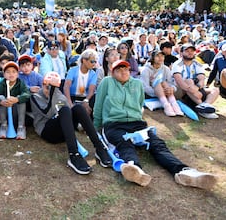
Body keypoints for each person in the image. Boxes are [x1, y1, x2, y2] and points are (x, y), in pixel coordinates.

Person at [93, 60, 218, 189]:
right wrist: (96, 126)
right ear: (112, 73)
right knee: (124, 144)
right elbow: (99, 105)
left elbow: (140, 104)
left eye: (125, 69)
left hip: (137, 123)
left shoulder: (137, 84)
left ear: (130, 70)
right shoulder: (107, 82)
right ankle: (134, 169)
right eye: (118, 70)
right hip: (114, 124)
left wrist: (138, 120)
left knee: (157, 144)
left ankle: (183, 171)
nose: (123, 72)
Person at [30, 72, 111, 175]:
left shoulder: (59, 95)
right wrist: (53, 91)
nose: (48, 90)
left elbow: (67, 113)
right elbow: (48, 113)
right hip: (47, 130)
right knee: (64, 110)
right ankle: (74, 154)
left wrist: (55, 93)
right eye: (47, 87)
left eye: (51, 87)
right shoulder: (36, 96)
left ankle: (99, 147)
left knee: (78, 108)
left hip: (64, 130)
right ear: (42, 84)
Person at [172, 43, 220, 119]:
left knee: (215, 90)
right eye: (187, 51)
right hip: (181, 90)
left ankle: (204, 106)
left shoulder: (197, 64)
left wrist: (196, 88)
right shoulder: (177, 64)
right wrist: (193, 89)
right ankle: (202, 107)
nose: (190, 53)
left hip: (195, 90)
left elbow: (201, 79)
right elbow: (180, 82)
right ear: (181, 53)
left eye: (192, 51)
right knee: (189, 81)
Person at [0, 61, 30, 139]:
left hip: (17, 112)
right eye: (8, 72)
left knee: (21, 98)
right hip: (4, 112)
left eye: (14, 72)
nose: (11, 74)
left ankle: (21, 127)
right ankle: (4, 125)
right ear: (4, 75)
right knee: (0, 97)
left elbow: (27, 94)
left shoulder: (20, 83)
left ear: (17, 74)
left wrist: (17, 99)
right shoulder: (1, 83)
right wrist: (1, 102)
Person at [140, 50, 184, 116]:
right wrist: (159, 92)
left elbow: (171, 83)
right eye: (157, 56)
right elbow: (145, 87)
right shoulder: (146, 70)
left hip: (165, 91)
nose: (160, 58)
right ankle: (166, 105)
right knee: (158, 83)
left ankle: (174, 104)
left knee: (164, 83)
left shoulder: (166, 69)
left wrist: (172, 89)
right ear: (153, 58)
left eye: (162, 56)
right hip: (151, 93)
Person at [63, 49, 98, 116]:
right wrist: (70, 103)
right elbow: (66, 87)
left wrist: (86, 100)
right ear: (84, 60)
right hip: (72, 97)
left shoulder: (93, 74)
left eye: (95, 62)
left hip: (85, 98)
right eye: (92, 61)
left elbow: (92, 90)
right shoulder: (73, 70)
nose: (94, 64)